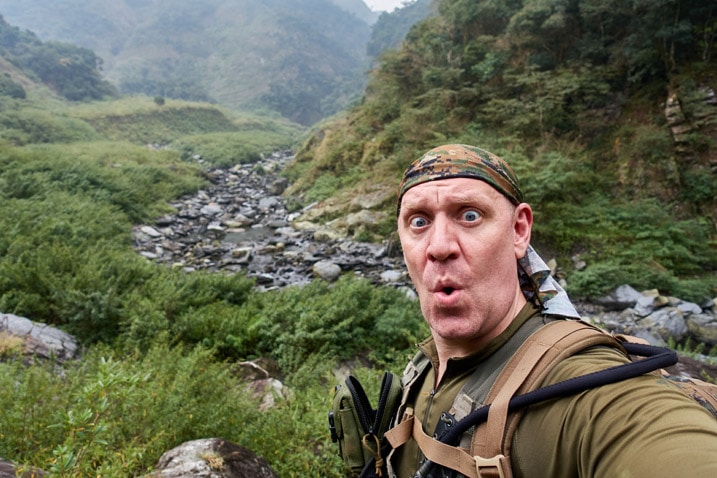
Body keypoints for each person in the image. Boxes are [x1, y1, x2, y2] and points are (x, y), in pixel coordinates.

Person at [385, 144, 717, 477]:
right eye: (418, 221)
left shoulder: (582, 387)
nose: (440, 246)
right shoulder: (423, 368)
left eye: (470, 215)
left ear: (519, 230)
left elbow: (655, 437)